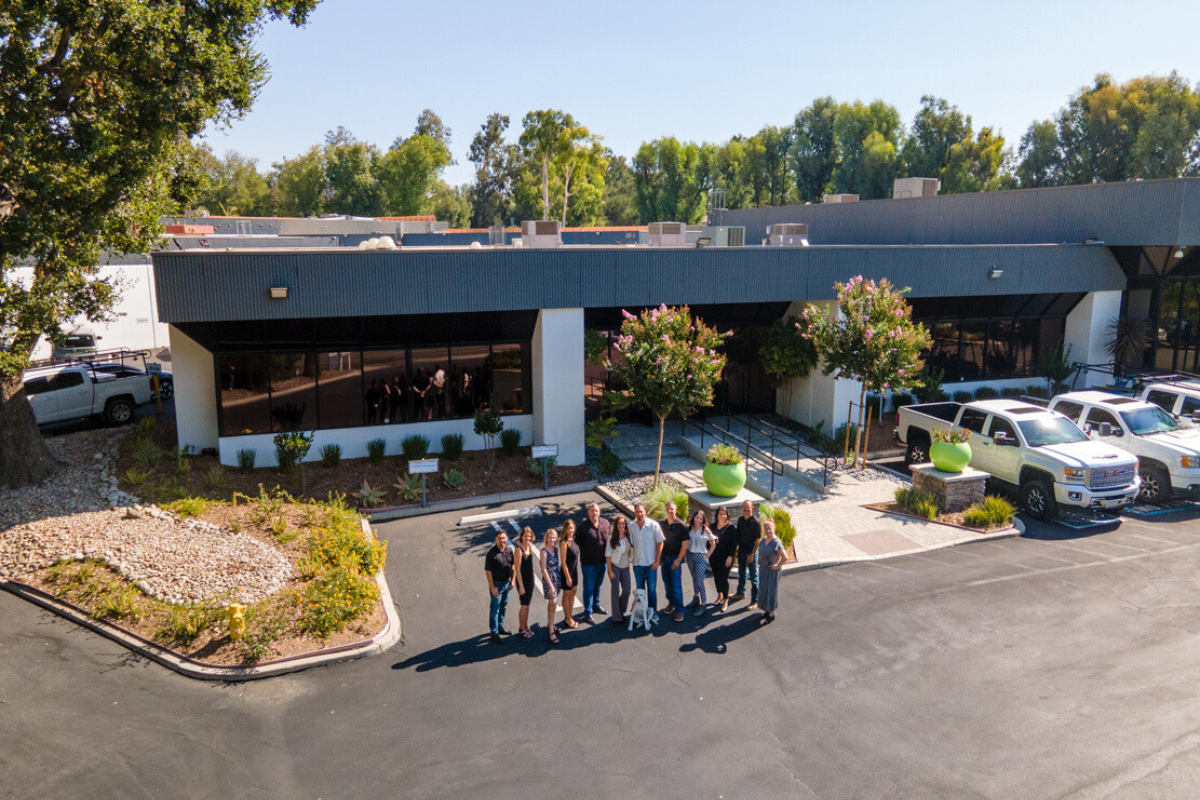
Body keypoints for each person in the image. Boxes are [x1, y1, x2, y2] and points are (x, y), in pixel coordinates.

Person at [578, 503, 611, 623]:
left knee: (598, 585)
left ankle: (596, 605)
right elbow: (578, 543)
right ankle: (587, 612)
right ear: (588, 513)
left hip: (602, 562)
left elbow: (610, 540)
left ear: (599, 512)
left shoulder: (605, 523)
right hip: (588, 564)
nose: (594, 513)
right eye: (592, 511)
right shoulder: (583, 527)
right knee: (588, 588)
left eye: (596, 511)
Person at [628, 502, 664, 612]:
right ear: (635, 513)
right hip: (637, 564)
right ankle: (642, 612)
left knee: (652, 590)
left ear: (645, 512)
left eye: (641, 511)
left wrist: (657, 561)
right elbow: (631, 543)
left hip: (651, 564)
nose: (639, 514)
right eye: (637, 512)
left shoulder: (653, 525)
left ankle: (652, 612)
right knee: (640, 591)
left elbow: (660, 542)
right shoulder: (631, 526)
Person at [660, 501, 689, 622]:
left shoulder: (681, 526)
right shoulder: (661, 524)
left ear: (675, 511)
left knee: (676, 586)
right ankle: (671, 604)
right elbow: (658, 541)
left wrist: (678, 560)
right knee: (667, 584)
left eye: (672, 509)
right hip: (664, 559)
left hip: (675, 560)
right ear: (665, 511)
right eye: (668, 509)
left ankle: (679, 610)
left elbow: (685, 544)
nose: (670, 511)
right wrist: (659, 557)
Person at [484, 530, 514, 644]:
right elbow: (488, 571)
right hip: (496, 585)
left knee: (503, 606)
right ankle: (494, 632)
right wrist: (492, 587)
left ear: (506, 538)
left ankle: (500, 626)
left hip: (506, 583)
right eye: (499, 538)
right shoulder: (491, 554)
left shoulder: (509, 550)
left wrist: (513, 580)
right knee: (495, 609)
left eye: (504, 538)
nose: (502, 540)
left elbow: (512, 566)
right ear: (496, 539)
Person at [685, 509, 717, 616]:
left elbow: (713, 544)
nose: (698, 519)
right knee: (694, 578)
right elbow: (685, 543)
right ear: (693, 517)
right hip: (690, 555)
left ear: (703, 520)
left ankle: (703, 604)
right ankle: (695, 598)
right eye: (697, 517)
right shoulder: (689, 528)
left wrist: (707, 555)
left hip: (700, 557)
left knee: (700, 581)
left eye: (701, 518)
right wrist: (685, 555)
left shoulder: (705, 530)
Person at [733, 499, 762, 609]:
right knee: (742, 573)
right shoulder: (740, 520)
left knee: (754, 578)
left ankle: (754, 601)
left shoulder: (756, 522)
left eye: (748, 508)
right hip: (741, 551)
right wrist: (735, 550)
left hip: (751, 553)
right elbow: (738, 535)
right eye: (744, 507)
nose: (746, 510)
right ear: (742, 508)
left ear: (752, 508)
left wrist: (752, 554)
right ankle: (740, 593)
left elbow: (758, 540)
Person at [709, 506, 739, 612]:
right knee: (716, 577)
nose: (722, 516)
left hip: (726, 558)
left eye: (724, 514)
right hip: (714, 558)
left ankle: (725, 600)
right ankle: (720, 595)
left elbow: (734, 544)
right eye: (720, 514)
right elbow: (707, 540)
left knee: (723, 578)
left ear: (727, 515)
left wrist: (730, 556)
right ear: (717, 515)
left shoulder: (731, 528)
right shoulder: (712, 527)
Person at [756, 519, 786, 623]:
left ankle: (772, 612)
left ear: (774, 529)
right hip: (764, 569)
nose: (768, 530)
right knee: (764, 589)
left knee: (772, 591)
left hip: (773, 571)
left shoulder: (776, 542)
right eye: (766, 528)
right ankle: (766, 609)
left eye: (770, 528)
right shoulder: (764, 540)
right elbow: (760, 553)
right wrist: (759, 565)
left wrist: (778, 566)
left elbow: (785, 557)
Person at [605, 515, 633, 625]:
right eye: (619, 523)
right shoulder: (611, 538)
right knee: (615, 591)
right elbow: (607, 555)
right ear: (616, 525)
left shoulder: (629, 537)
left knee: (627, 590)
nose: (621, 525)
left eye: (623, 523)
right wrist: (609, 570)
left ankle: (621, 610)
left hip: (626, 567)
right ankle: (616, 616)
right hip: (615, 567)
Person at [512, 526, 538, 638]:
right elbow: (517, 569)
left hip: (530, 580)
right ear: (521, 536)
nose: (527, 537)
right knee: (524, 606)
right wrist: (521, 586)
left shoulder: (530, 547)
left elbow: (530, 564)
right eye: (525, 535)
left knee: (527, 605)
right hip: (522, 581)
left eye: (529, 536)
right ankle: (521, 628)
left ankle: (526, 626)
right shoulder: (519, 550)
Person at [540, 529, 562, 645]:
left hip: (556, 578)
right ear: (546, 539)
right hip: (549, 580)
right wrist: (551, 586)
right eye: (550, 538)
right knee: (553, 601)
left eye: (553, 537)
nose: (552, 540)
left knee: (553, 603)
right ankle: (551, 632)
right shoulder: (543, 552)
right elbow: (543, 569)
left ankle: (551, 624)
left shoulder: (556, 549)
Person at [558, 520, 580, 629]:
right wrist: (567, 577)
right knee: (567, 595)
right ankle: (567, 619)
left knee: (573, 593)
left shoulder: (574, 540)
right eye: (568, 528)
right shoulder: (564, 542)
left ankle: (570, 616)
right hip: (567, 572)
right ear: (565, 530)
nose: (570, 530)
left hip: (574, 571)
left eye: (572, 528)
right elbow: (563, 562)